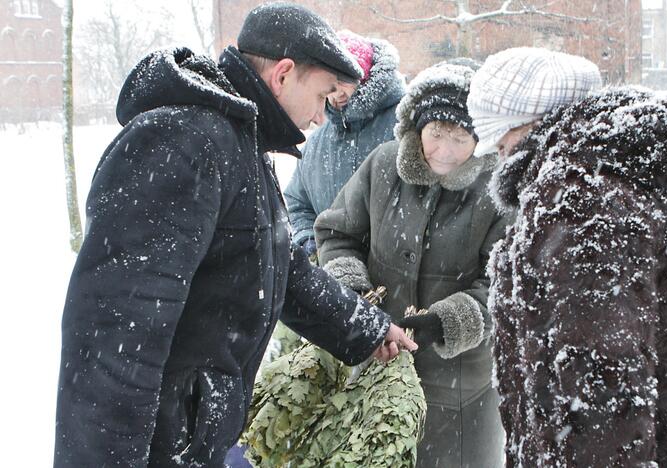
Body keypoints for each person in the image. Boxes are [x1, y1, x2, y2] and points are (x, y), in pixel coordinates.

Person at [53, 4, 415, 467]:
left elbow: (281, 270)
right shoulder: (183, 141)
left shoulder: (240, 142)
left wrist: (368, 329)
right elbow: (116, 332)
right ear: (284, 75)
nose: (322, 117)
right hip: (157, 446)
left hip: (195, 435)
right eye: (324, 95)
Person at [468, 47, 667, 466]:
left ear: (528, 125)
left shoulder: (578, 200)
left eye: (499, 139)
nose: (497, 154)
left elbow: (600, 389)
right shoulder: (622, 174)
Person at [314, 59, 509, 467]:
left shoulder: (496, 191)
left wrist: (449, 320)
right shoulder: (383, 166)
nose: (445, 152)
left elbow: (506, 282)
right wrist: (353, 294)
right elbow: (337, 233)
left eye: (460, 138)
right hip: (377, 367)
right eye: (436, 134)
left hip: (460, 390)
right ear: (417, 127)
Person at [285, 30, 405, 261]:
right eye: (331, 82)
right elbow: (297, 203)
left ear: (366, 76)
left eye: (345, 80)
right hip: (335, 279)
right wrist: (312, 243)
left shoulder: (405, 126)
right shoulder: (317, 142)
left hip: (396, 279)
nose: (336, 92)